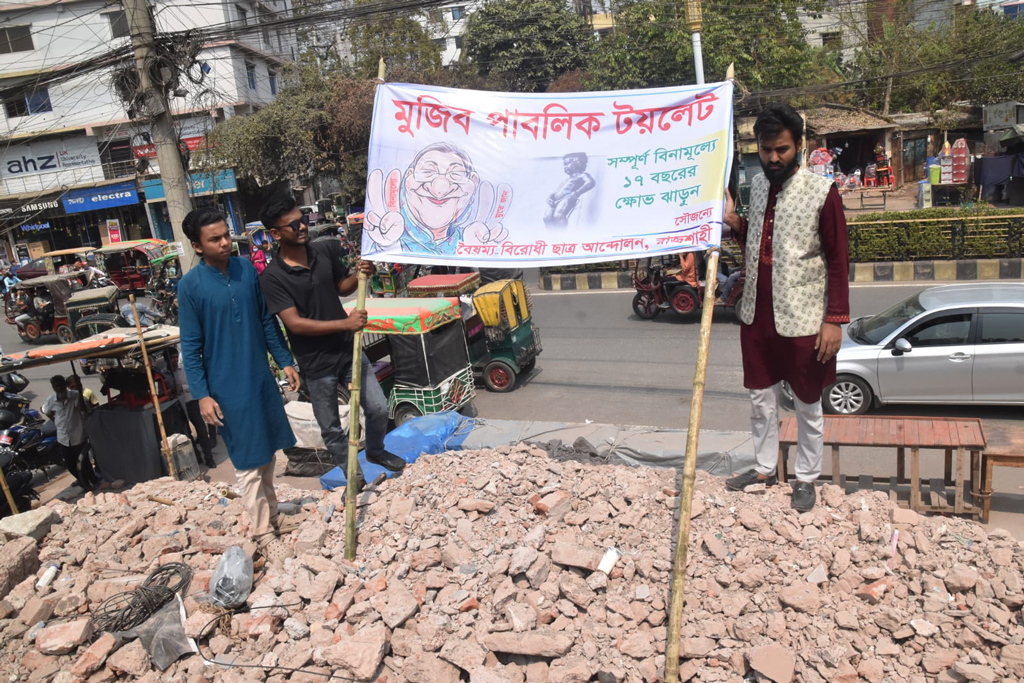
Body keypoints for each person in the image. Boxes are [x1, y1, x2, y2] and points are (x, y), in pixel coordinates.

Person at [722, 103, 850, 512]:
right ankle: (763, 468)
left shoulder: (822, 192)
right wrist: (736, 224)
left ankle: (807, 477)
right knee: (760, 397)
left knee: (808, 402)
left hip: (804, 316)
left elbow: (838, 260)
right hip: (757, 313)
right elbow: (758, 244)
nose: (773, 158)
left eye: (782, 149)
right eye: (765, 150)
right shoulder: (757, 186)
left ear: (799, 145)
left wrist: (834, 321)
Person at [258, 194, 406, 490]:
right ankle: (354, 477)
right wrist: (346, 323)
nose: (302, 226)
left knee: (377, 409)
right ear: (275, 234)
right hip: (316, 363)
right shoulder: (272, 277)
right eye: (294, 224)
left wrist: (360, 274)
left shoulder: (321, 252)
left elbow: (340, 287)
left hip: (347, 350)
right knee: (331, 428)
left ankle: (375, 451)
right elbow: (294, 323)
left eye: (303, 219)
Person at [177, 207, 302, 558]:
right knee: (247, 461)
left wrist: (284, 360)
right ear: (197, 246)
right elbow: (190, 346)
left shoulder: (246, 269)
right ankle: (263, 534)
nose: (224, 243)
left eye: (226, 235)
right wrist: (202, 395)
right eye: (214, 239)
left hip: (259, 378)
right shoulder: (189, 287)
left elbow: (266, 320)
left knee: (268, 452)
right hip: (226, 388)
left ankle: (273, 516)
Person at [43, 375, 100, 492]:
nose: (59, 388)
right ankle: (84, 483)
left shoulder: (74, 395)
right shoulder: (51, 399)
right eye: (56, 386)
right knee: (70, 465)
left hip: (77, 435)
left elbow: (80, 408)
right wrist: (55, 420)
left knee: (84, 463)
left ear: (65, 385)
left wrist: (79, 391)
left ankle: (93, 481)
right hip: (63, 438)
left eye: (60, 385)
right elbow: (46, 410)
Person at [163, 346, 216, 468]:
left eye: (176, 357)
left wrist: (183, 388)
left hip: (191, 402)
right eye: (172, 358)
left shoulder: (185, 369)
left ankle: (209, 458)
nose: (175, 360)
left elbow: (194, 384)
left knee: (201, 430)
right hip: (178, 406)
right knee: (186, 433)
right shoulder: (165, 373)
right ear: (166, 360)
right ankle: (197, 457)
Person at [544, 153, 596, 227]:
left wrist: (577, 193)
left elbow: (590, 182)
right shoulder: (565, 180)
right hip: (555, 201)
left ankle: (562, 235)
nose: (565, 167)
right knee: (547, 217)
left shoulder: (581, 176)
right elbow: (555, 191)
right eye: (564, 165)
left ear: (577, 162)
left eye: (567, 164)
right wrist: (550, 197)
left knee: (558, 216)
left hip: (567, 198)